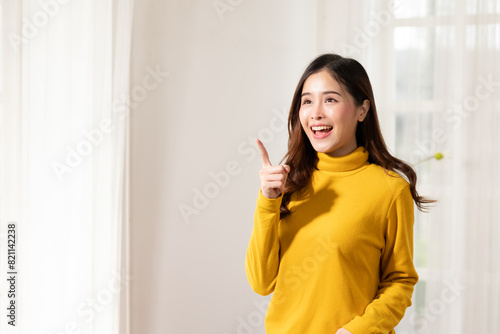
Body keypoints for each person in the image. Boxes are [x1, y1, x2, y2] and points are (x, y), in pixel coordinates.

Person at [245, 54, 433, 334]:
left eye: (330, 99)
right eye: (307, 101)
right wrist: (267, 202)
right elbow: (261, 282)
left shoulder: (391, 190)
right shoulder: (289, 184)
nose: (316, 112)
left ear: (362, 110)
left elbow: (400, 281)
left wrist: (356, 331)